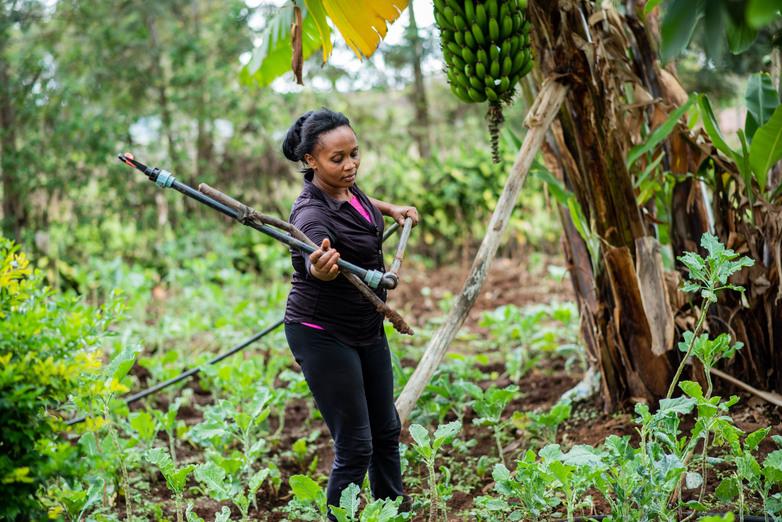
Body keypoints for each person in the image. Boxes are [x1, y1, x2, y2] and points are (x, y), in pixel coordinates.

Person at [281, 108, 418, 518]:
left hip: (365, 324)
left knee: (387, 430)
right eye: (337, 159)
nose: (350, 165)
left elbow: (357, 200)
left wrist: (391, 208)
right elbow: (312, 254)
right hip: (321, 331)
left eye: (354, 154)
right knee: (357, 444)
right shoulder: (309, 213)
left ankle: (392, 510)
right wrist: (319, 268)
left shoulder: (346, 187)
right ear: (310, 161)